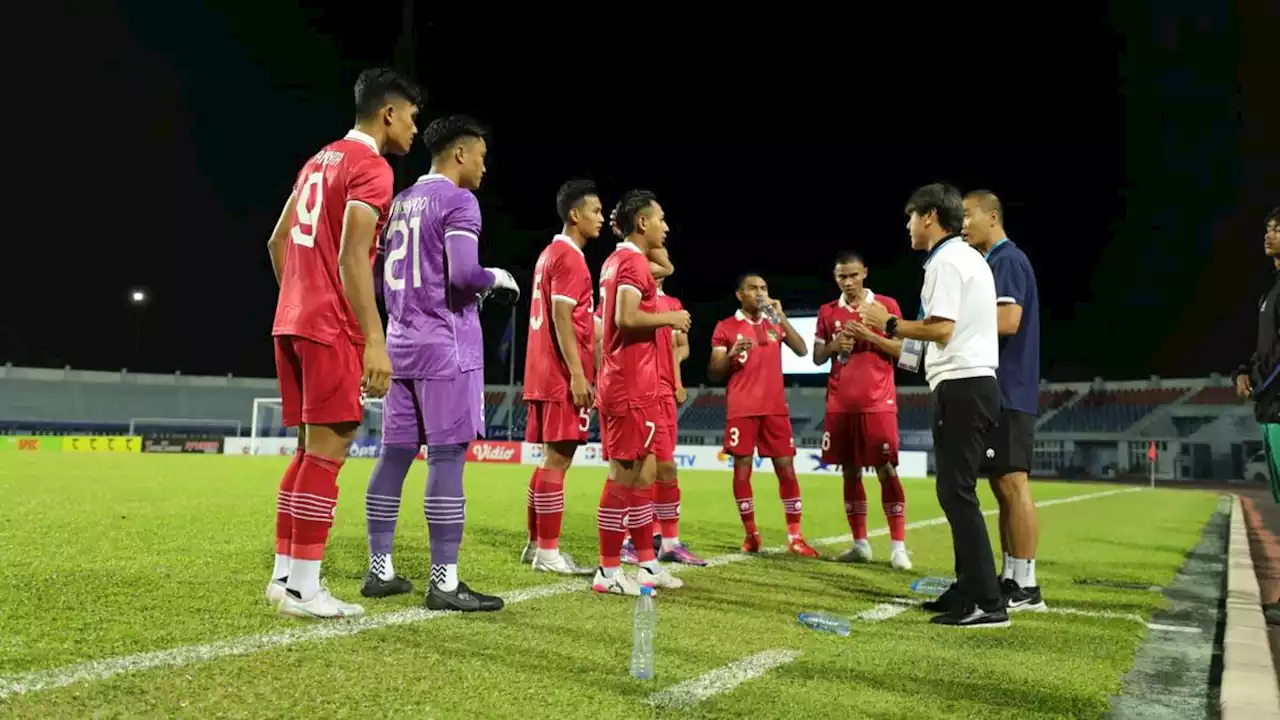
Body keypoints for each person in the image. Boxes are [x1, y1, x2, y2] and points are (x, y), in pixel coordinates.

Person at [265, 68, 422, 620]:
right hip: (329, 326)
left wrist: (300, 298)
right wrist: (374, 340)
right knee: (330, 450)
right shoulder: (371, 167)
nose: (413, 126)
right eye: (411, 116)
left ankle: (285, 578)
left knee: (310, 450)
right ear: (388, 113)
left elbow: (278, 240)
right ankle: (305, 589)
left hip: (293, 320)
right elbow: (354, 255)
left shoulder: (320, 159)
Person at [358, 115, 518, 612]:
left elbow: (382, 275)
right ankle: (444, 582)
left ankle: (379, 569)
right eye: (482, 157)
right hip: (446, 347)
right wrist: (499, 278)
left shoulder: (401, 201)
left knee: (395, 455)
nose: (485, 168)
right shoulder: (458, 200)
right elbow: (464, 275)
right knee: (447, 458)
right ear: (460, 154)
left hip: (401, 345)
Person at [860, 182, 1007, 628]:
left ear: (928, 217)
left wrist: (888, 321)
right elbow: (933, 343)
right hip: (968, 383)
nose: (907, 227)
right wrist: (877, 337)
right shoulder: (965, 258)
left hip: (963, 385)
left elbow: (941, 330)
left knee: (956, 492)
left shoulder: (946, 261)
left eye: (910, 217)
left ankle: (987, 601)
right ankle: (968, 590)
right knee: (956, 490)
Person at [592, 190, 690, 596]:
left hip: (641, 385)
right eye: (661, 219)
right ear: (643, 222)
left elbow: (664, 262)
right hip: (628, 385)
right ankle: (608, 570)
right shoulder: (630, 262)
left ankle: (647, 565)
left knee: (646, 473)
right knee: (624, 475)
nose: (666, 227)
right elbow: (626, 317)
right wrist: (671, 317)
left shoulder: (626, 259)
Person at [963, 189, 1045, 612]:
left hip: (1010, 389)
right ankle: (1013, 575)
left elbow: (1008, 321)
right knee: (1001, 484)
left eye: (967, 215)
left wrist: (955, 326)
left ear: (991, 217)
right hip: (1003, 389)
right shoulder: (993, 262)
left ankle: (1028, 585)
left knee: (1013, 482)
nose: (962, 225)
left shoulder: (1007, 260)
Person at [518, 179, 604, 576]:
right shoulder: (570, 258)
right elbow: (562, 316)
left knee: (549, 459)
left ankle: (536, 544)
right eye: (596, 212)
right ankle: (549, 552)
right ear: (575, 215)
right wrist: (577, 374)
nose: (601, 219)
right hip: (559, 373)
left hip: (541, 370)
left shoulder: (548, 254)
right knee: (559, 458)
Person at [813, 251, 911, 570]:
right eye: (842, 276)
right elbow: (816, 357)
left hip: (878, 403)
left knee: (886, 469)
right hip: (840, 405)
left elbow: (908, 354)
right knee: (850, 471)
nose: (849, 282)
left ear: (865, 273)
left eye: (854, 275)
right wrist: (833, 347)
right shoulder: (828, 312)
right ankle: (860, 544)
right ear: (835, 277)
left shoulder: (886, 306)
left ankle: (898, 547)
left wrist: (870, 336)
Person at [709, 274, 818, 557]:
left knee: (786, 469)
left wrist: (780, 317)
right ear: (739, 294)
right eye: (753, 288)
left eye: (764, 288)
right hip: (742, 409)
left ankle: (795, 536)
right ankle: (751, 534)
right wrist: (731, 354)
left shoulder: (774, 324)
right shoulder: (726, 327)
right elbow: (714, 372)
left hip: (775, 409)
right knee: (742, 470)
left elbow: (802, 349)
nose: (760, 293)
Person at [620, 269, 707, 566]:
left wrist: (677, 381)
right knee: (640, 467)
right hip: (639, 391)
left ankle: (668, 542)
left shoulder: (672, 304)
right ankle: (629, 539)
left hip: (665, 392)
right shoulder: (628, 297)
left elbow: (679, 347)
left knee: (667, 468)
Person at [1235, 207, 1280, 624]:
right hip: (1271, 408)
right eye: (1267, 227)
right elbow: (1266, 350)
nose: (1269, 233)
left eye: (1278, 228)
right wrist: (1247, 369)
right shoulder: (1270, 292)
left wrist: (1265, 383)